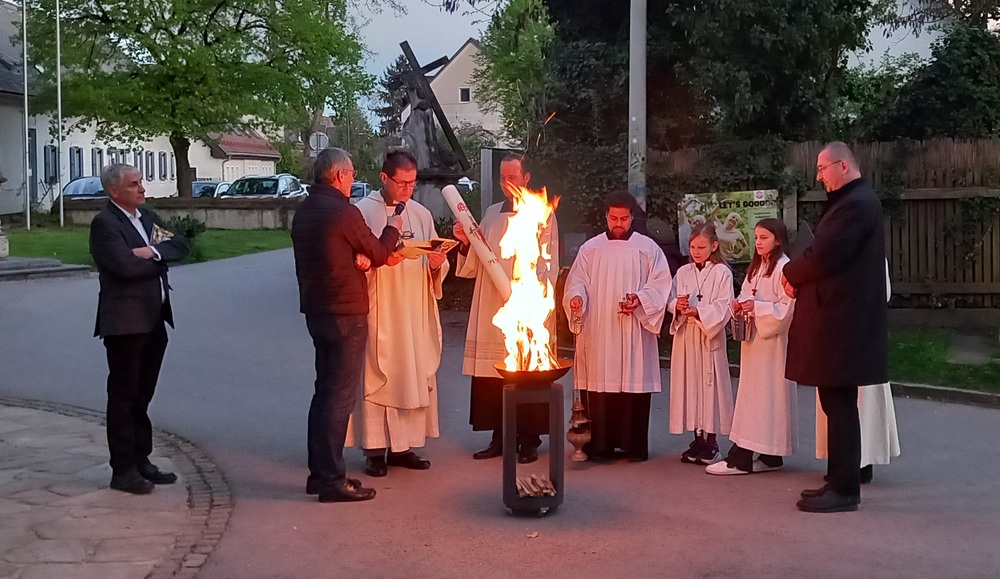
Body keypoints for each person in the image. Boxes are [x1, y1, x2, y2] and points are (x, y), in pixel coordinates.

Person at [781, 141, 888, 513]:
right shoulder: (851, 202)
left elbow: (825, 255)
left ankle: (845, 490)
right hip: (840, 319)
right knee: (835, 403)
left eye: (822, 168)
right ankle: (838, 479)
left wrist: (789, 272)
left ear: (843, 166)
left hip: (843, 322)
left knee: (840, 406)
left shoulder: (857, 204)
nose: (819, 176)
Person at [291, 148, 402, 503]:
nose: (353, 179)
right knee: (339, 398)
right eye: (351, 173)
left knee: (324, 392)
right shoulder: (344, 212)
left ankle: (320, 473)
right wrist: (393, 228)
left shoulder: (305, 211)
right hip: (346, 313)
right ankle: (332, 480)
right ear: (339, 175)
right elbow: (380, 253)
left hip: (317, 311)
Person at [346, 151, 448, 477]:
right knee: (379, 370)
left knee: (410, 372)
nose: (407, 189)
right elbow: (353, 261)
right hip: (381, 306)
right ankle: (375, 449)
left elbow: (435, 257)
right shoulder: (362, 212)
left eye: (412, 183)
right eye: (401, 183)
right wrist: (377, 261)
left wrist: (437, 265)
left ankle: (403, 447)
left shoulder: (421, 214)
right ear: (384, 178)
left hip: (413, 308)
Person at [90, 163, 189, 495]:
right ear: (113, 191)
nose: (142, 188)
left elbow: (180, 245)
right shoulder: (106, 224)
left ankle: (141, 458)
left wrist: (151, 252)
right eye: (134, 184)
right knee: (124, 395)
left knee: (143, 394)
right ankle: (123, 470)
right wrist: (158, 262)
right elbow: (124, 267)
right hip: (125, 323)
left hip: (154, 318)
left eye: (141, 182)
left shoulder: (146, 218)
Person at [453, 154, 559, 463]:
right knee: (493, 373)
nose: (506, 183)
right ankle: (499, 436)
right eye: (502, 178)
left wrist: (530, 299)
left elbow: (548, 262)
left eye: (512, 177)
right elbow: (477, 260)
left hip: (526, 305)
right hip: (492, 304)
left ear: (526, 178)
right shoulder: (491, 213)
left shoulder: (542, 212)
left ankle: (529, 438)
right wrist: (464, 243)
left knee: (526, 371)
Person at [563, 192, 673, 462]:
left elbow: (661, 284)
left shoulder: (647, 248)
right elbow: (577, 281)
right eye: (613, 218)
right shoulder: (591, 249)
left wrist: (640, 299)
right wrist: (576, 297)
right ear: (606, 216)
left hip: (633, 329)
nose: (618, 223)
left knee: (632, 380)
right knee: (599, 381)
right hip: (598, 329)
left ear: (632, 217)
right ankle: (599, 446)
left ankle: (632, 446)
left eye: (623, 218)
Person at [706, 218, 797, 476]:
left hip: (772, 346)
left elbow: (787, 309)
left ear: (777, 240)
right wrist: (739, 304)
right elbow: (747, 293)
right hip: (754, 343)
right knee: (755, 397)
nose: (758, 242)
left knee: (764, 398)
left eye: (764, 237)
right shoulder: (758, 267)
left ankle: (741, 458)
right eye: (756, 237)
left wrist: (757, 308)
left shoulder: (784, 267)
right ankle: (770, 456)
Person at [815, 260, 899, 483]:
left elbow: (881, 293)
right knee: (837, 405)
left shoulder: (873, 257)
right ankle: (839, 463)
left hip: (862, 335)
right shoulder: (836, 252)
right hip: (836, 334)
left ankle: (862, 463)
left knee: (864, 404)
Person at [667, 223, 734, 465]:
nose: (696, 252)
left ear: (713, 246)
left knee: (710, 386)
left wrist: (699, 312)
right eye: (693, 247)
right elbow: (670, 298)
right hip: (687, 337)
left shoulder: (722, 273)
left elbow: (725, 305)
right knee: (691, 385)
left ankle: (712, 442)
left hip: (708, 336)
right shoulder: (683, 272)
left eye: (701, 247)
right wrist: (678, 306)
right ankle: (697, 439)